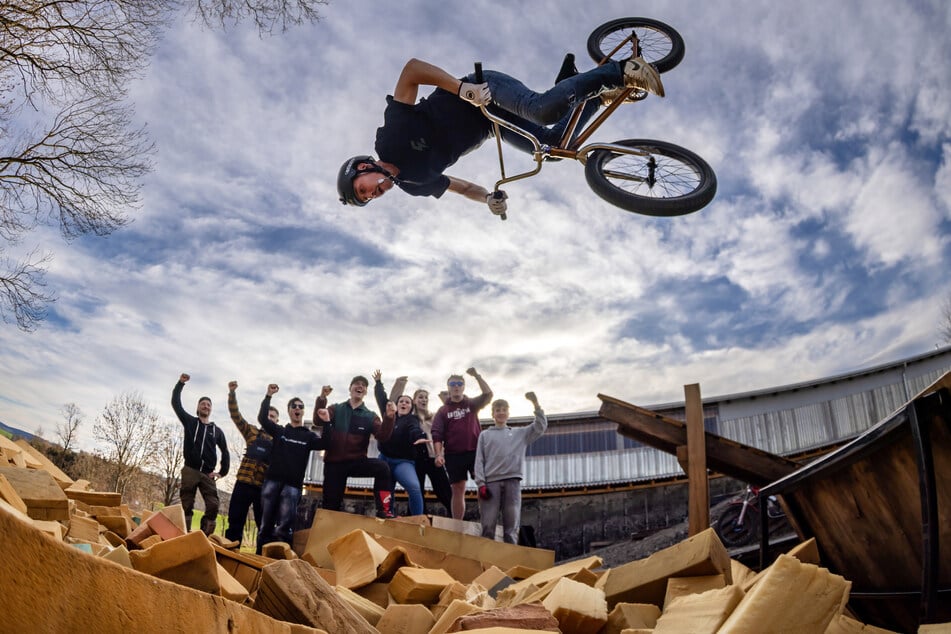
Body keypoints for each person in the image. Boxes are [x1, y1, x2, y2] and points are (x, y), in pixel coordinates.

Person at [336, 54, 664, 214]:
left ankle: (622, 70)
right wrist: (489, 201)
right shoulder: (414, 184)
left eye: (364, 190)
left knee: (542, 110)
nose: (372, 195)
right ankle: (590, 91)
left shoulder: (390, 139)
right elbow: (463, 188)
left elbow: (412, 71)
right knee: (553, 147)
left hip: (482, 90)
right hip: (493, 122)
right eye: (367, 199)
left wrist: (463, 89)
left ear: (364, 168)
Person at [255, 384, 325, 554]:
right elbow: (263, 419)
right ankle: (259, 558)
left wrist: (327, 422)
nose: (298, 409)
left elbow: (325, 443)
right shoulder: (280, 431)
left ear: (303, 412)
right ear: (289, 411)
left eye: (301, 407)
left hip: (292, 487)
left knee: (284, 528)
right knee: (265, 525)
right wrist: (268, 396)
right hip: (272, 482)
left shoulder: (308, 436)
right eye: (294, 406)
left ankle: (282, 560)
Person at [314, 375, 396, 518]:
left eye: (364, 385)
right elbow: (318, 420)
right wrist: (322, 400)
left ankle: (384, 509)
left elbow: (382, 436)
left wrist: (389, 418)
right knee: (330, 507)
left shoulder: (370, 416)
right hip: (334, 464)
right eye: (356, 384)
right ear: (350, 388)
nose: (360, 386)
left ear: (365, 392)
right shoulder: (336, 409)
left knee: (383, 467)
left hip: (356, 462)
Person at [475, 392, 548, 544]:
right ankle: (486, 562)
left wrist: (536, 405)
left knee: (511, 528)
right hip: (490, 484)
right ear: (493, 414)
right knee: (488, 526)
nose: (501, 412)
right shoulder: (484, 435)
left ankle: (510, 563)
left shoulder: (520, 433)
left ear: (508, 413)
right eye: (497, 410)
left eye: (504, 410)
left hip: (512, 483)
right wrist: (481, 483)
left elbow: (540, 427)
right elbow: (479, 459)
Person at [171, 373, 230, 535]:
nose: (206, 406)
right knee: (186, 504)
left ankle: (204, 536)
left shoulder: (216, 431)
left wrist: (222, 472)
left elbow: (225, 451)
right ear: (198, 408)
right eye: (203, 404)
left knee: (213, 505)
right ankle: (183, 533)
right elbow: (176, 404)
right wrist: (180, 384)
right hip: (190, 470)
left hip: (208, 474)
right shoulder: (190, 422)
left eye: (208, 404)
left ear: (211, 409)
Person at [431, 368, 493, 520]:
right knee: (458, 489)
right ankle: (457, 524)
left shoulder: (471, 404)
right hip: (453, 455)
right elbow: (437, 434)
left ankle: (486, 521)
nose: (456, 386)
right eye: (452, 384)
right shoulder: (443, 411)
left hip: (474, 452)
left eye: (459, 383)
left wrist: (477, 376)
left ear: (464, 387)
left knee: (482, 484)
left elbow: (488, 394)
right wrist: (438, 454)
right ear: (448, 388)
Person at [387, 377, 453, 515]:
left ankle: (457, 518)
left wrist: (445, 397)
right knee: (417, 490)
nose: (424, 400)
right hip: (415, 459)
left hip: (433, 457)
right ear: (414, 401)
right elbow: (393, 402)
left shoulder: (435, 417)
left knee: (444, 490)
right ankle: (415, 520)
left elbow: (450, 413)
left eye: (426, 398)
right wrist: (400, 383)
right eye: (420, 397)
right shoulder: (410, 418)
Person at [372, 371, 431, 517]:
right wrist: (379, 383)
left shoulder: (411, 420)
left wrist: (419, 436)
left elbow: (414, 430)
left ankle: (418, 518)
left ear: (411, 407)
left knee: (414, 487)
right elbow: (381, 399)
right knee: (385, 489)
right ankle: (387, 513)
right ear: (396, 405)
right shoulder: (389, 415)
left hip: (402, 462)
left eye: (407, 402)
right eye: (401, 401)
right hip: (384, 459)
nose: (404, 403)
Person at [224, 380, 273, 546]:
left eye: (274, 418)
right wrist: (232, 393)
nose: (270, 419)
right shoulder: (251, 431)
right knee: (235, 522)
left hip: (262, 489)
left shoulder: (279, 439)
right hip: (243, 483)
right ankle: (230, 554)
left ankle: (260, 561)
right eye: (269, 416)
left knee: (263, 527)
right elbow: (235, 415)